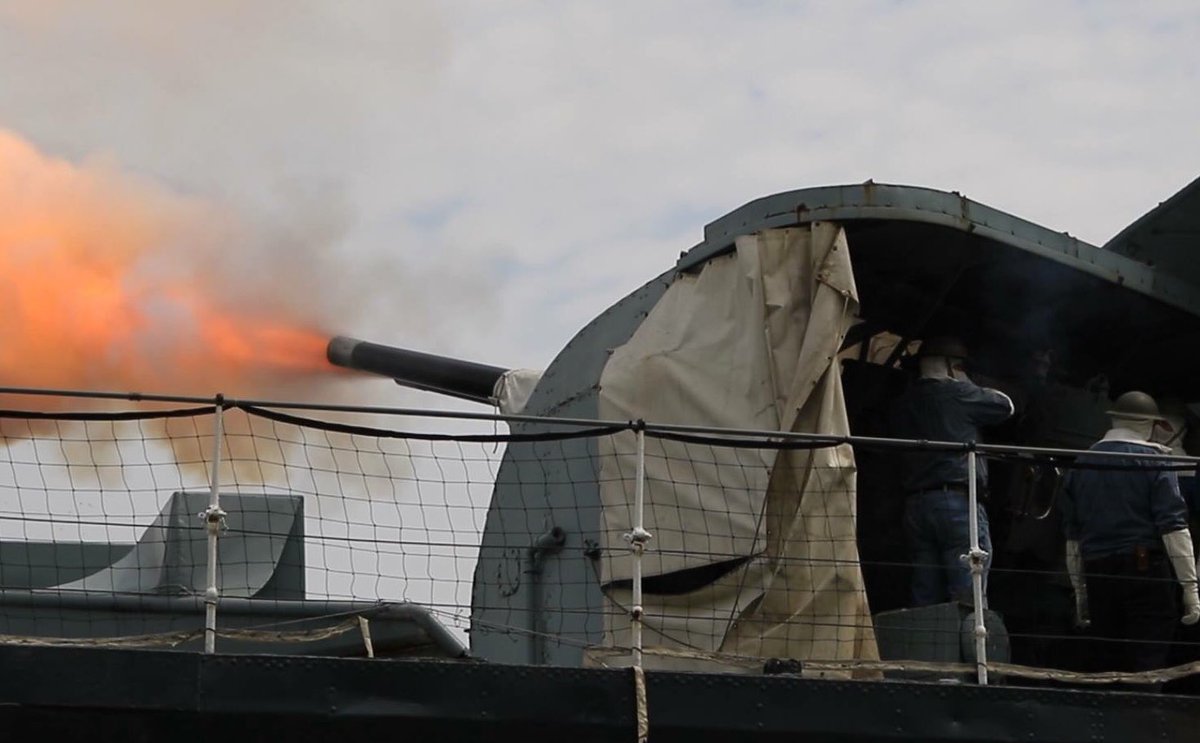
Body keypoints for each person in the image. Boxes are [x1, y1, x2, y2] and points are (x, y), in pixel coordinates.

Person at [1061, 390, 1200, 674]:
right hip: (1144, 567)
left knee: (1106, 651)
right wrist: (1190, 589)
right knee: (1148, 651)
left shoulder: (1079, 464)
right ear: (1149, 424)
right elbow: (1174, 527)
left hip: (1097, 568)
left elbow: (1073, 537)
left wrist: (1080, 594)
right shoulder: (1157, 460)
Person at [889, 336, 1015, 607]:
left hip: (916, 504)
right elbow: (1005, 406)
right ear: (949, 367)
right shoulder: (958, 393)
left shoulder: (904, 403)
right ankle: (968, 645)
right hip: (957, 501)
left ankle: (927, 646)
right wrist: (966, 382)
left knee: (925, 590)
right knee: (969, 583)